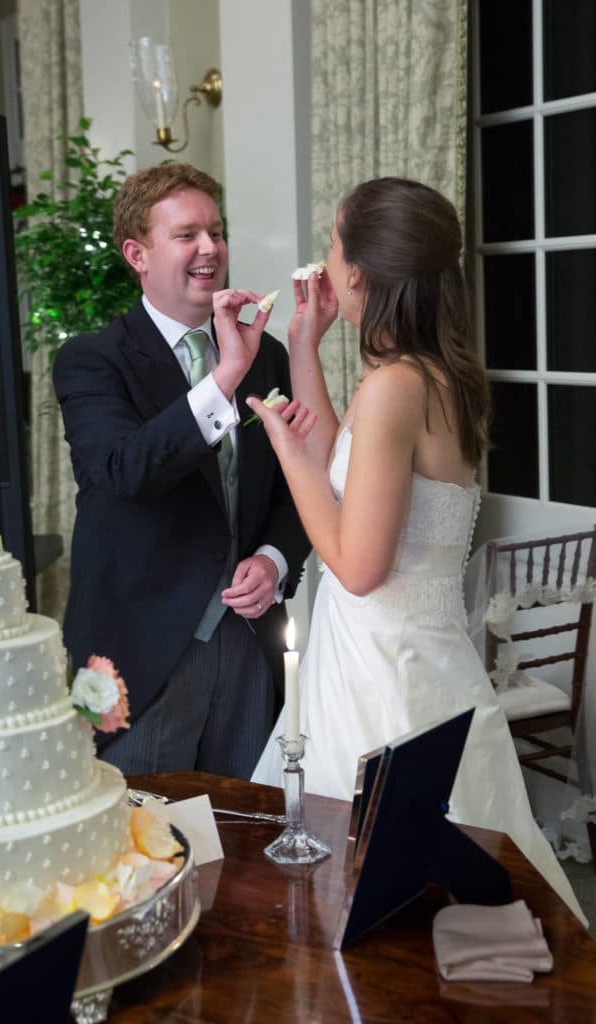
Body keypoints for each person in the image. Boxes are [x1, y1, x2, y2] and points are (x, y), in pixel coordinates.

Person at [250, 177, 587, 926]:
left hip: (380, 677)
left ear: (360, 275)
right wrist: (307, 346)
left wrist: (288, 455)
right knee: (449, 892)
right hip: (419, 660)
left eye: (334, 245)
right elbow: (354, 472)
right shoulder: (439, 374)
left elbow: (360, 567)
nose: (327, 259)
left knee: (375, 894)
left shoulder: (394, 386)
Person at [53, 163, 310, 779]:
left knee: (246, 837)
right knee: (140, 846)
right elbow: (124, 470)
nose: (210, 249)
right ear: (137, 254)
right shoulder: (92, 360)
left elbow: (294, 487)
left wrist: (275, 558)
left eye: (216, 232)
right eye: (188, 234)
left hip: (249, 642)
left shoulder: (266, 354)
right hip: (139, 655)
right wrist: (224, 378)